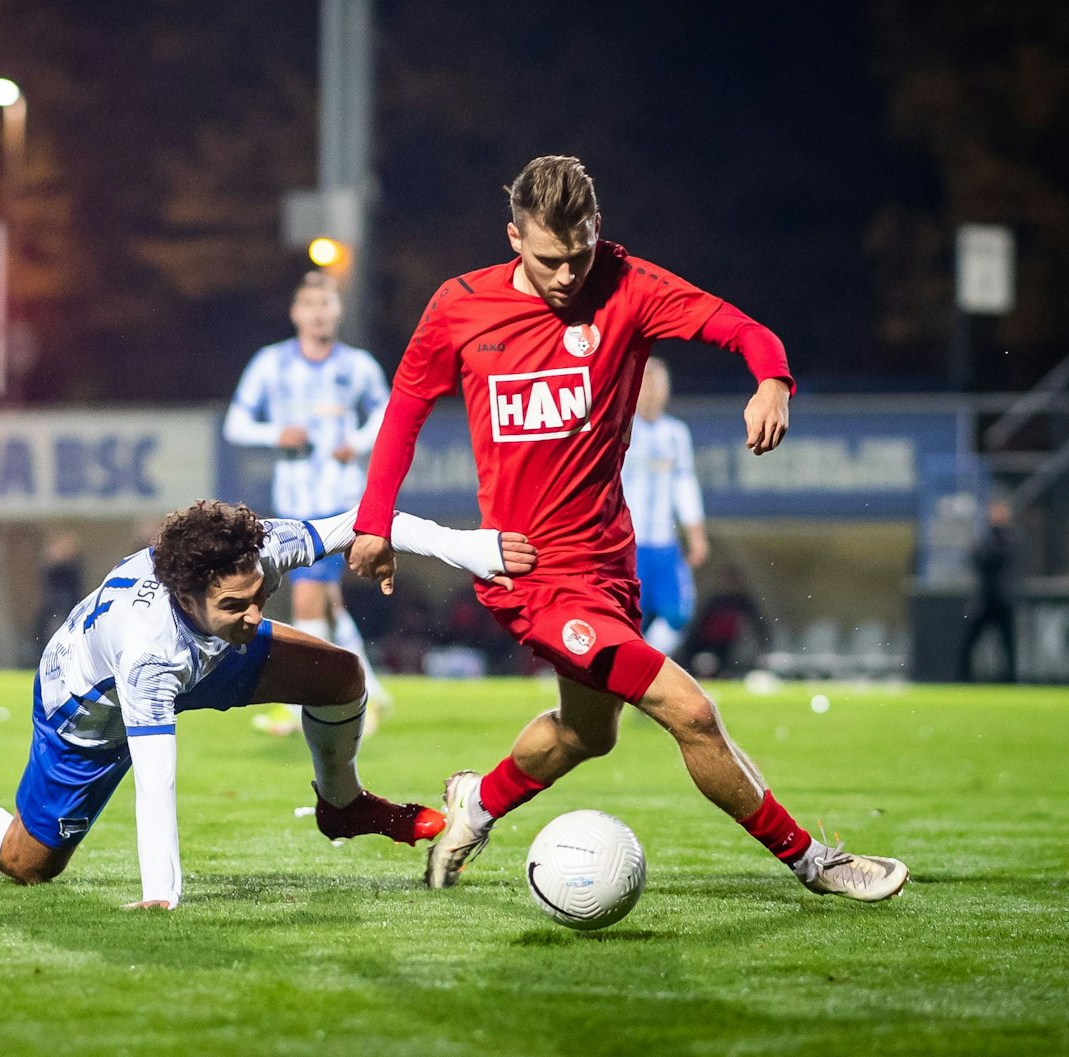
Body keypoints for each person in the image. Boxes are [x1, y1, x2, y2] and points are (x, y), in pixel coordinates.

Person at [348, 155, 906, 902]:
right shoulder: (458, 307)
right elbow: (407, 407)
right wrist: (373, 521)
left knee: (588, 733)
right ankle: (817, 862)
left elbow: (743, 328)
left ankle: (475, 804)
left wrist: (771, 380)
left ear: (597, 231)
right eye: (548, 259)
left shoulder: (629, 285)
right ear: (513, 237)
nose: (566, 275)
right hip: (531, 574)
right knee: (692, 712)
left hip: (610, 565)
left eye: (578, 255)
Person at [0, 500, 535, 910]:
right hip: (86, 711)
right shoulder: (149, 649)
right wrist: (163, 893)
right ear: (187, 595)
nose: (256, 612)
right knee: (26, 863)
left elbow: (367, 518)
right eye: (236, 604)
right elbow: (156, 782)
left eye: (257, 595)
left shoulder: (252, 559)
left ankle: (343, 804)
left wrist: (470, 548)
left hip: (205, 654)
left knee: (339, 674)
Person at [224, 271, 393, 735]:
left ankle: (308, 700)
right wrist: (275, 434)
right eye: (311, 306)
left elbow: (387, 414)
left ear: (337, 311)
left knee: (307, 595)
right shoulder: (271, 364)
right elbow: (235, 425)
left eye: (327, 305)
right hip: (293, 502)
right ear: (296, 313)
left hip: (339, 501)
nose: (319, 313)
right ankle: (372, 691)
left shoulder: (357, 366)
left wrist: (356, 443)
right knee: (329, 602)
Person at [621, 356, 707, 656]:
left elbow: (685, 485)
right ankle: (623, 674)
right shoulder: (619, 426)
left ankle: (646, 664)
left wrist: (695, 533)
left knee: (678, 612)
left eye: (658, 384)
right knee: (626, 616)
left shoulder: (676, 433)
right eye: (646, 383)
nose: (652, 391)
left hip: (664, 542)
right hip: (626, 544)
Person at [958, 497, 1018, 681]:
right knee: (969, 643)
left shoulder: (1009, 537)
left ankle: (1009, 681)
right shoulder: (987, 537)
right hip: (985, 599)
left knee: (1007, 646)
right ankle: (964, 680)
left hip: (1002, 599)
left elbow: (993, 557)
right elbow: (977, 559)